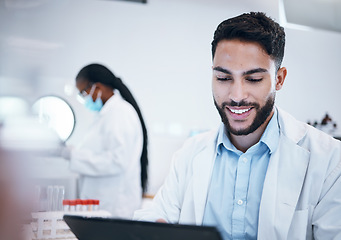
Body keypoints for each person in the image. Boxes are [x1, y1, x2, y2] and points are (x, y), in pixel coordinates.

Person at [133, 12, 341, 239]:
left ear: (279, 79)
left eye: (253, 79)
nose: (237, 95)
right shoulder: (189, 154)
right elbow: (156, 216)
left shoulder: (329, 161)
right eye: (223, 78)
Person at [64, 63, 148, 219]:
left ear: (98, 87)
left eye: (83, 92)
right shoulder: (105, 115)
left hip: (115, 209)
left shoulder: (120, 113)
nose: (83, 98)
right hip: (103, 208)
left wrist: (73, 155)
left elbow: (117, 161)